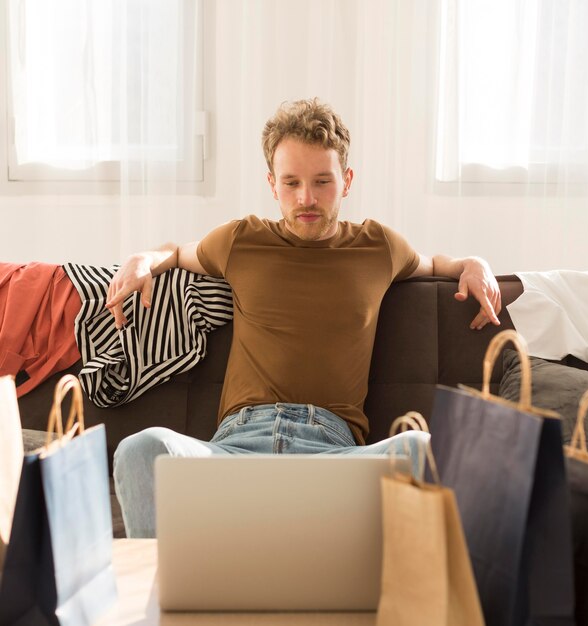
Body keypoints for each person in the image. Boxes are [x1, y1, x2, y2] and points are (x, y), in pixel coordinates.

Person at [108, 98, 501, 537]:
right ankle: (166, 594)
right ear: (272, 184)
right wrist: (143, 259)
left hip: (331, 457)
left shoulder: (379, 247)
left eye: (321, 182)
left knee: (422, 449)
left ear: (346, 181)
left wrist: (474, 263)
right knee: (139, 449)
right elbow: (178, 252)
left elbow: (435, 264)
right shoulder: (241, 239)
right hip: (234, 453)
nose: (306, 198)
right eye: (291, 183)